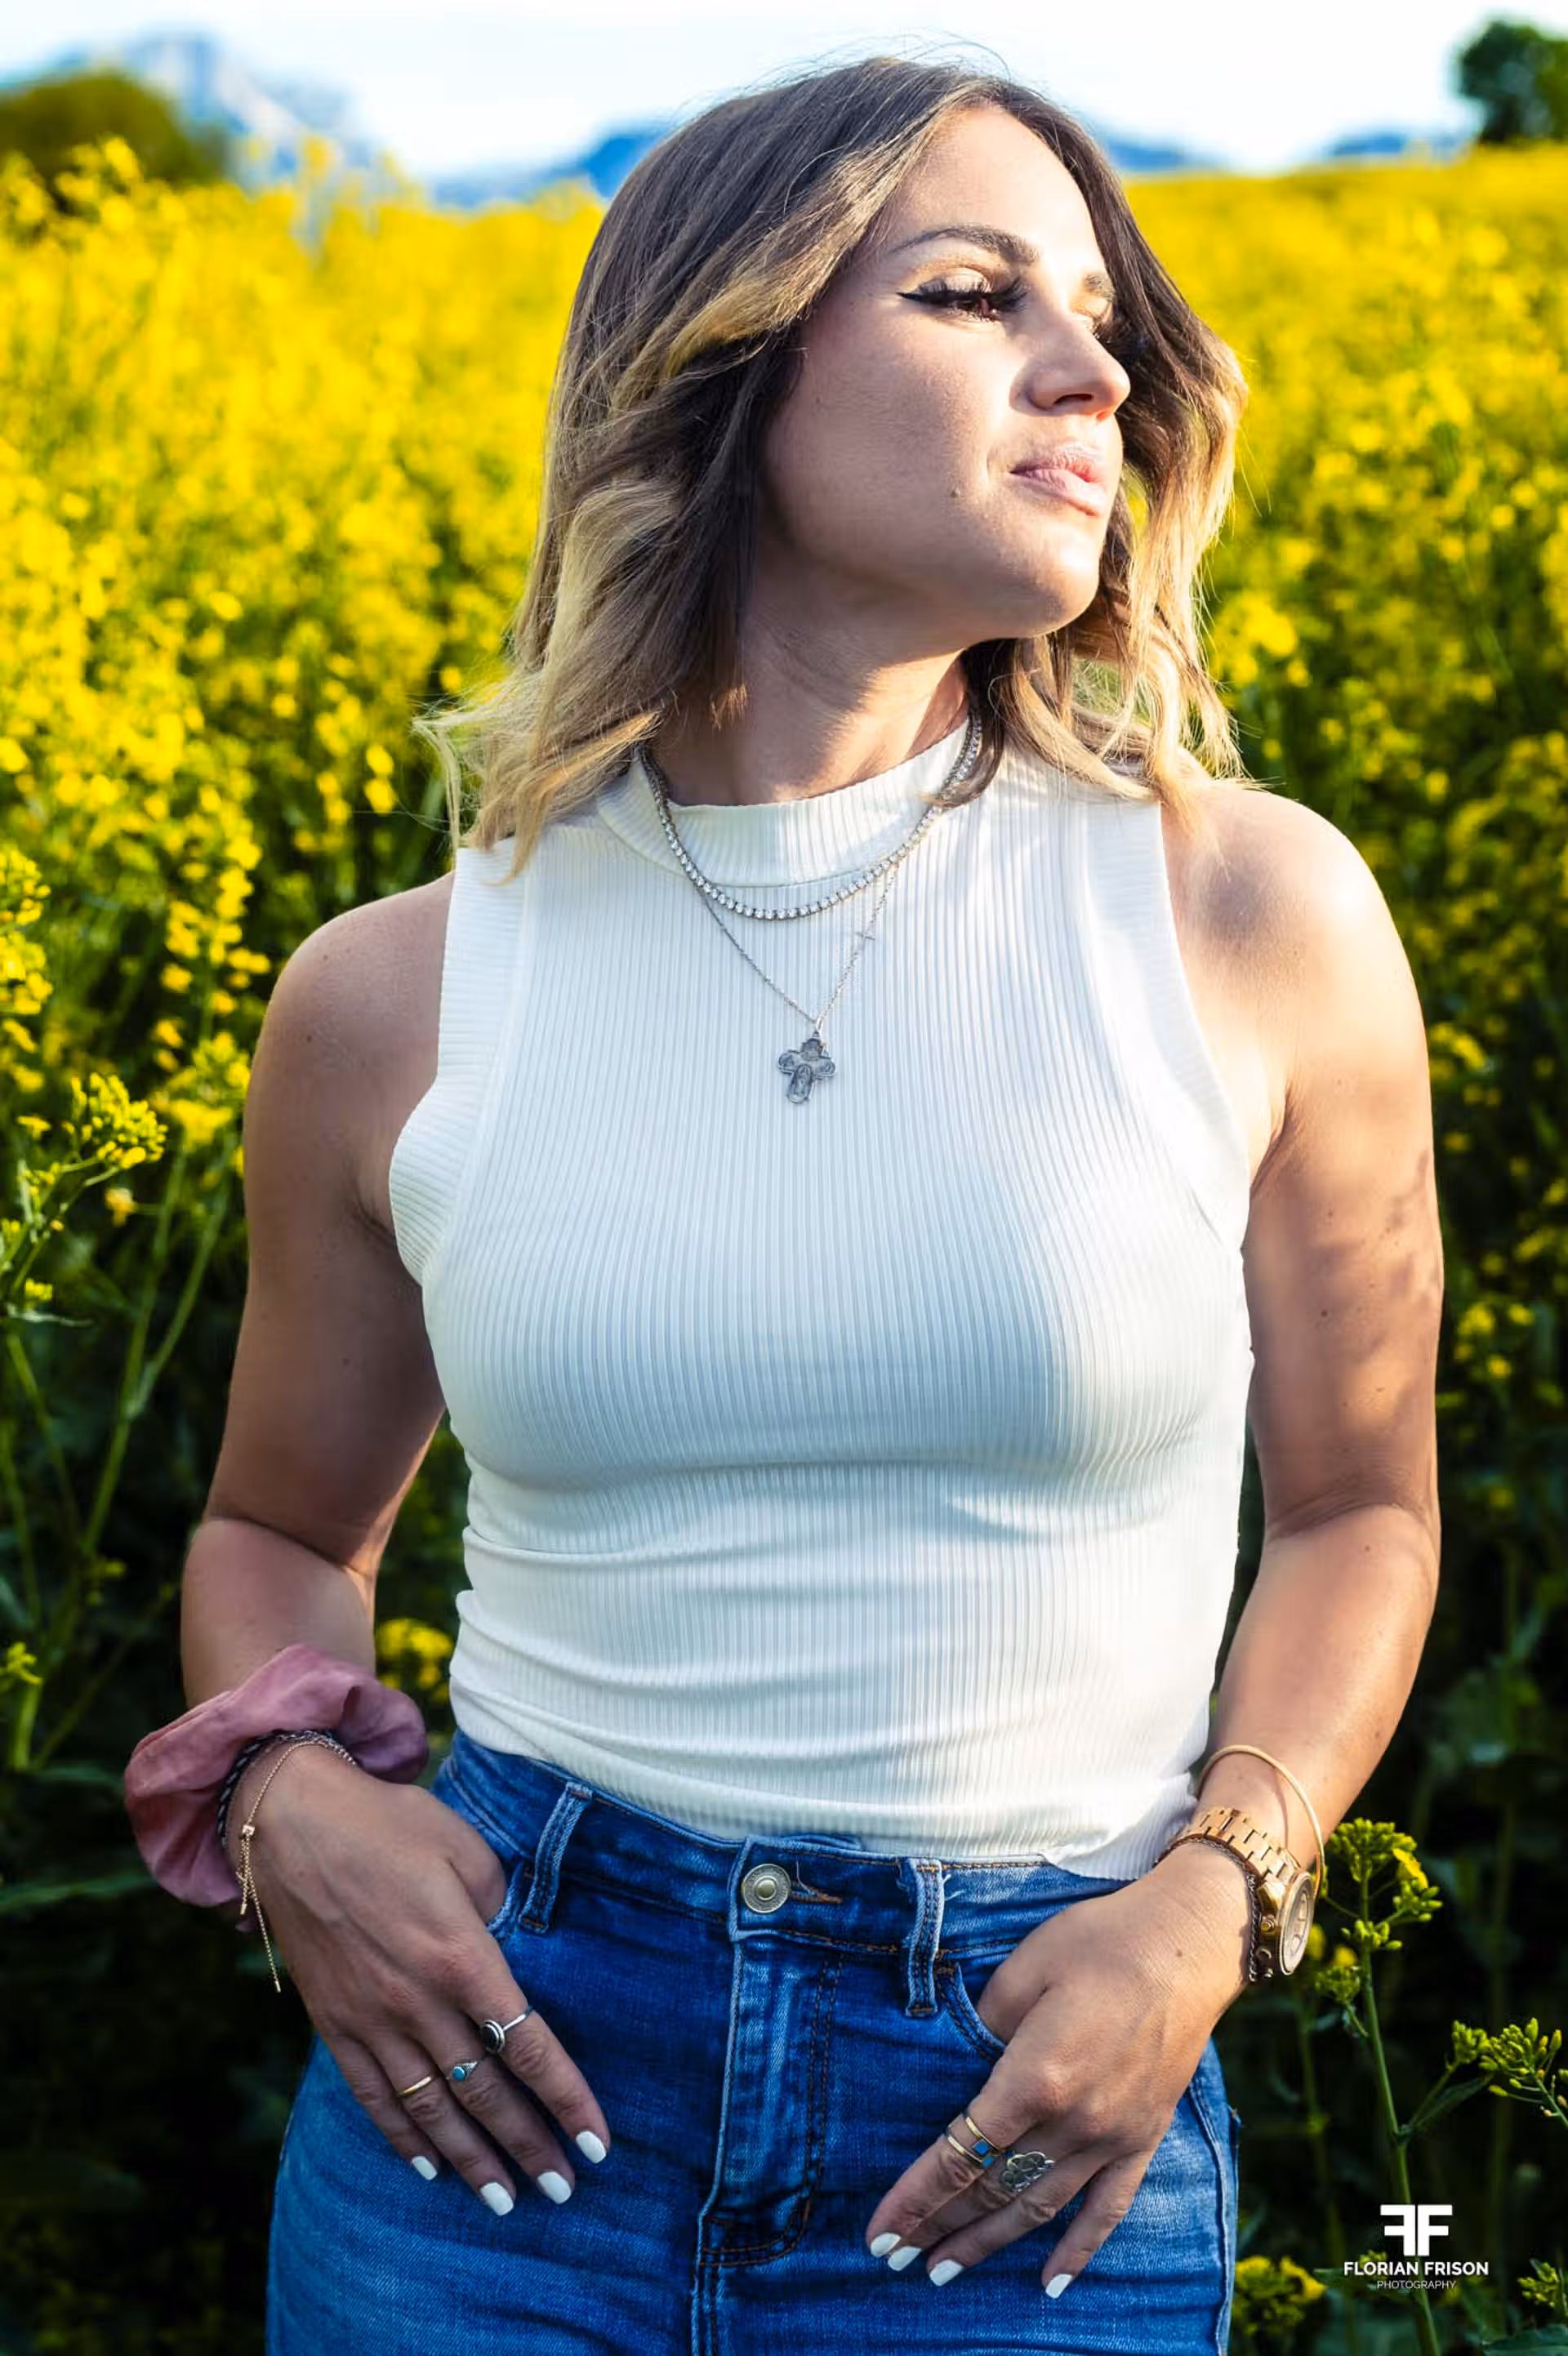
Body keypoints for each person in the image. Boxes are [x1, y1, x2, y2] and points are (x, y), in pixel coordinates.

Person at [139, 51, 1444, 2356]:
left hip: (1035, 2096)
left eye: (1106, 316)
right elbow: (274, 1535)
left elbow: (1363, 1512)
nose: (1093, 366)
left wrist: (1217, 1900)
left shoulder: (1249, 913)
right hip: (497, 2095)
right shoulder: (391, 996)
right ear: (723, 365)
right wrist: (287, 1806)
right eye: (973, 292)